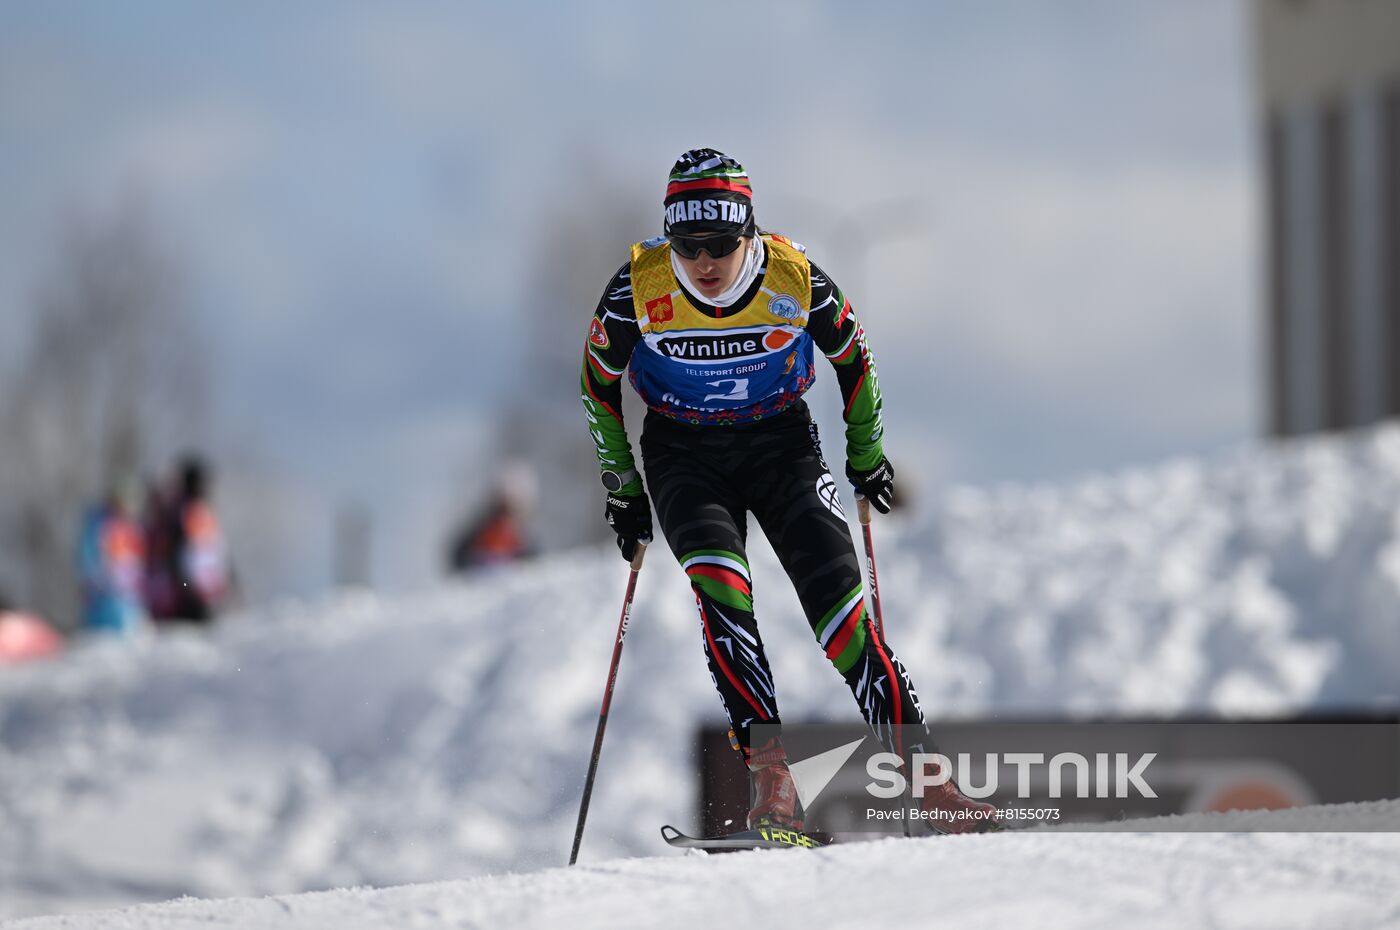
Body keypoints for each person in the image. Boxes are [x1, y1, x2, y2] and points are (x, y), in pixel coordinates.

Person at [579, 148, 997, 835]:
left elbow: (853, 358)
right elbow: (596, 383)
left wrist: (865, 455)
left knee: (841, 620)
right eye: (688, 246)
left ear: (751, 234)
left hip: (781, 447)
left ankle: (933, 786)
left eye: (721, 244)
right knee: (723, 595)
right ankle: (772, 779)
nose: (705, 263)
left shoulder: (795, 278)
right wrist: (624, 487)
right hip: (685, 454)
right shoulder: (638, 287)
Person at [78, 476, 149, 636]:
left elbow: (137, 560)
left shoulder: (132, 526)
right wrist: (97, 583)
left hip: (131, 597)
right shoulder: (98, 523)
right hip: (104, 598)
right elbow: (88, 560)